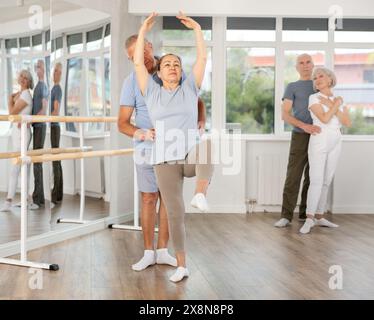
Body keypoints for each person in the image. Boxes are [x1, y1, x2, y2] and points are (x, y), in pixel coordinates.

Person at [134, 12, 214, 282]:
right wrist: (143, 29)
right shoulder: (152, 92)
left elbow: (202, 58)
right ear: (159, 71)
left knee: (208, 145)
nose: (172, 67)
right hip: (163, 161)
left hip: (189, 155)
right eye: (167, 64)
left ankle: (201, 194)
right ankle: (181, 265)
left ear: (181, 72)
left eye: (177, 64)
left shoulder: (190, 88)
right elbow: (137, 65)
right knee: (175, 214)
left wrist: (198, 30)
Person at [118, 34, 207, 272]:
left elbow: (196, 99)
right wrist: (143, 133)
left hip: (175, 147)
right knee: (149, 198)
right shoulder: (132, 82)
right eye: (132, 57)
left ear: (149, 46)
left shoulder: (171, 68)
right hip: (148, 147)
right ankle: (148, 253)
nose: (140, 58)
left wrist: (201, 121)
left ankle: (162, 251)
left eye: (141, 52)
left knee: (169, 200)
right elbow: (122, 123)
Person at [300, 67, 351, 234]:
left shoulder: (335, 99)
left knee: (326, 180)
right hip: (319, 141)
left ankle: (319, 216)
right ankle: (309, 219)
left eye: (321, 76)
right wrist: (336, 105)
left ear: (330, 79)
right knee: (316, 180)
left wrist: (332, 103)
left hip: (336, 141)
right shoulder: (313, 98)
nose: (317, 79)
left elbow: (347, 121)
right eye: (315, 78)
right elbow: (325, 118)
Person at [274, 54, 321, 228]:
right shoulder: (292, 87)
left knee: (313, 176)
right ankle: (286, 215)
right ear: (296, 67)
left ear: (313, 64)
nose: (305, 65)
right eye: (301, 63)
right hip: (300, 135)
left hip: (320, 135)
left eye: (308, 62)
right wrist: (304, 126)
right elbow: (285, 114)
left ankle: (305, 214)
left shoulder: (320, 84)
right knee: (293, 176)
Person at [0, 70, 33, 212]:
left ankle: (8, 200)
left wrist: (9, 100)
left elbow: (12, 114)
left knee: (16, 168)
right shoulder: (20, 94)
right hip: (17, 132)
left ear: (29, 81)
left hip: (22, 134)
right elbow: (14, 115)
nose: (23, 79)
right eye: (21, 76)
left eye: (26, 78)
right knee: (22, 168)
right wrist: (12, 99)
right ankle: (27, 199)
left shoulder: (25, 95)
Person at [30, 59, 49, 210]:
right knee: (36, 162)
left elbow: (43, 109)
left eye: (40, 67)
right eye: (36, 67)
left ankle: (37, 200)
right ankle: (39, 197)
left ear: (44, 69)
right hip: (37, 126)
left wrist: (31, 119)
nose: (37, 69)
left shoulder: (42, 86)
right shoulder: (39, 85)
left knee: (37, 162)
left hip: (40, 126)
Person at [50, 63, 63, 206]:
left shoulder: (57, 89)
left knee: (56, 161)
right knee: (57, 160)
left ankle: (55, 196)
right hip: (53, 127)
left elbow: (56, 110)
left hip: (55, 127)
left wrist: (47, 119)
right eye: (54, 71)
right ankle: (58, 195)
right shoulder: (53, 88)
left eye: (58, 72)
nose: (55, 74)